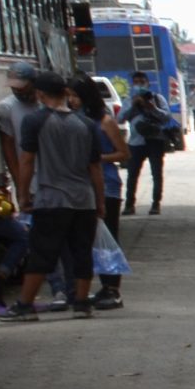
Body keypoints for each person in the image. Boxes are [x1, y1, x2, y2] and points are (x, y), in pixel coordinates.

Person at [12, 69, 103, 320]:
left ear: (40, 94)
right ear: (65, 93)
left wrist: (23, 196)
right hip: (84, 199)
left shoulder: (35, 121)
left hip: (52, 199)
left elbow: (27, 161)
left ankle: (25, 306)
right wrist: (100, 202)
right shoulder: (85, 124)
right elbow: (95, 167)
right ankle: (82, 304)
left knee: (42, 252)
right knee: (82, 252)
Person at [77, 77, 128, 311]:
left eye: (74, 95)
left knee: (108, 238)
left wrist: (96, 159)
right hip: (82, 186)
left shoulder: (105, 121)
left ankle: (112, 288)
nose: (70, 100)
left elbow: (122, 153)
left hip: (107, 186)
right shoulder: (75, 120)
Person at [121, 73, 172, 213]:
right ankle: (129, 205)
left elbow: (167, 117)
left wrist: (152, 107)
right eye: (136, 82)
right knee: (132, 174)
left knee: (156, 173)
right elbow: (120, 119)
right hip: (136, 142)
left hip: (155, 140)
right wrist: (133, 105)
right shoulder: (128, 100)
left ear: (148, 83)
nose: (139, 85)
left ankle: (156, 204)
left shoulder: (157, 98)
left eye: (142, 82)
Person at [0, 61, 37, 187]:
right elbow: (8, 145)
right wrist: (19, 181)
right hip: (29, 178)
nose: (17, 91)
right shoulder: (7, 107)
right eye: (14, 88)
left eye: (21, 87)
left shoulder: (46, 102)